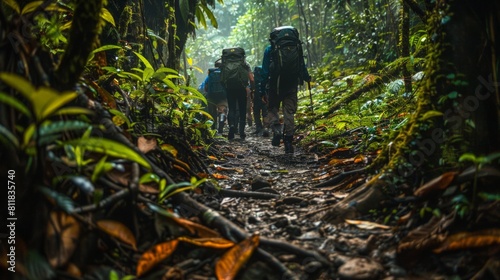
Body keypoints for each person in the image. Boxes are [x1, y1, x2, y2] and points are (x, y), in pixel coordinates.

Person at [260, 26, 311, 153]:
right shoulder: (297, 47)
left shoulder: (270, 49)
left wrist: (262, 89)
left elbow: (265, 71)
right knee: (289, 112)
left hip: (274, 85)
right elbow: (301, 66)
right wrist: (306, 77)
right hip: (291, 84)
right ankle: (288, 141)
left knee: (273, 109)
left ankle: (277, 130)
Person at [220, 47, 255, 140]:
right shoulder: (245, 64)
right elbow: (251, 79)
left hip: (229, 88)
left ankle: (231, 125)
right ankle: (242, 132)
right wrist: (252, 88)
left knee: (231, 108)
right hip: (242, 88)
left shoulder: (225, 64)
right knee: (242, 109)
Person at [199, 60, 228, 134]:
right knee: (222, 112)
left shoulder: (210, 74)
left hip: (211, 96)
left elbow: (205, 87)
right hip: (222, 96)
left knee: (212, 113)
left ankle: (213, 129)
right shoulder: (225, 74)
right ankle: (220, 128)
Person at [252, 66, 269, 136]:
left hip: (256, 98)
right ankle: (266, 128)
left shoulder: (254, 80)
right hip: (265, 97)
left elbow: (251, 88)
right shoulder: (265, 79)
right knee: (265, 113)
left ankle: (258, 128)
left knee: (256, 112)